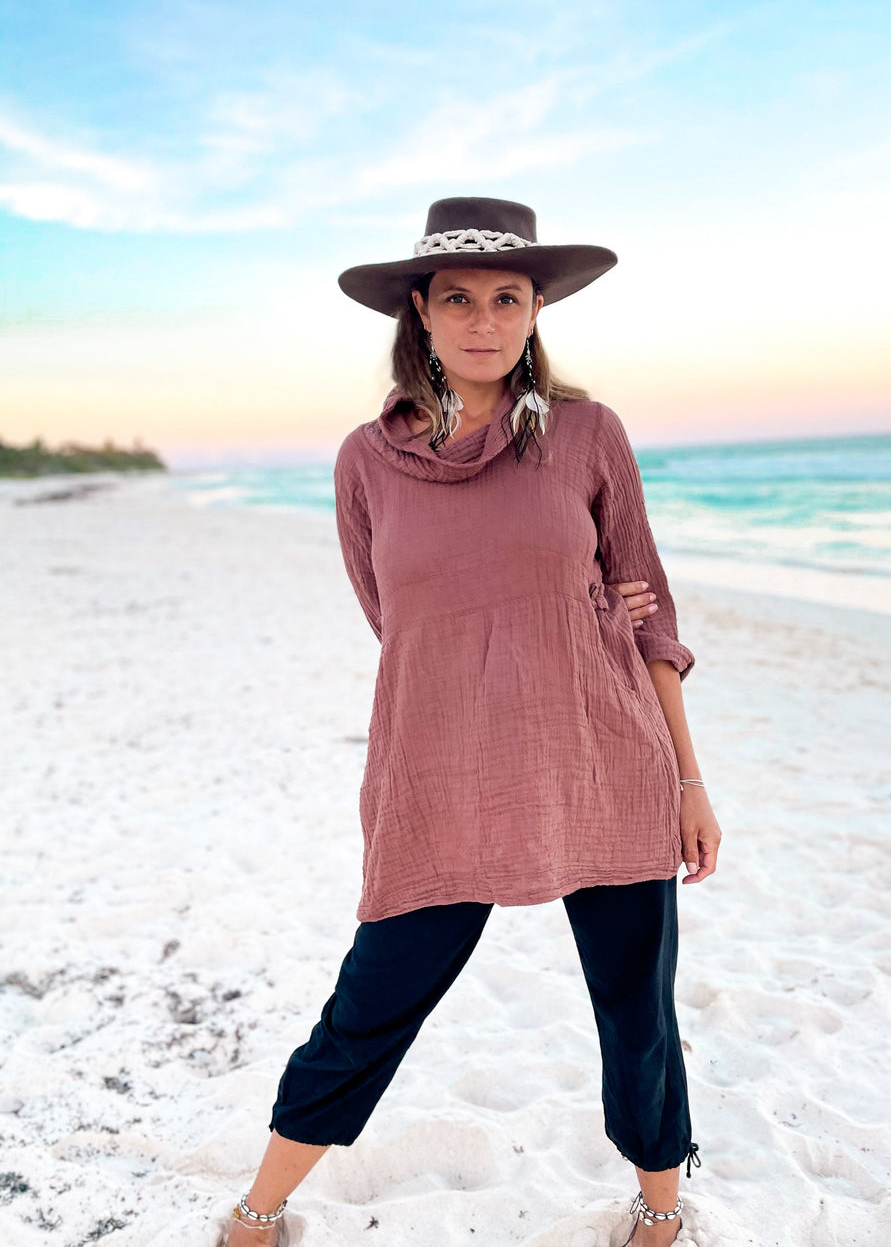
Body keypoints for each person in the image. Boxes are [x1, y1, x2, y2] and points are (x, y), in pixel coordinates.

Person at [223, 198, 722, 1247]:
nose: (484, 320)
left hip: (603, 760)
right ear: (422, 310)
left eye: (508, 297)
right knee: (371, 1001)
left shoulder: (588, 433)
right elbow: (392, 616)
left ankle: (660, 1209)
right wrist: (522, 622)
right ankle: (259, 1207)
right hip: (440, 776)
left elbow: (648, 607)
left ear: (536, 309)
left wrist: (688, 779)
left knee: (637, 1014)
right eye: (459, 299)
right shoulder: (366, 459)